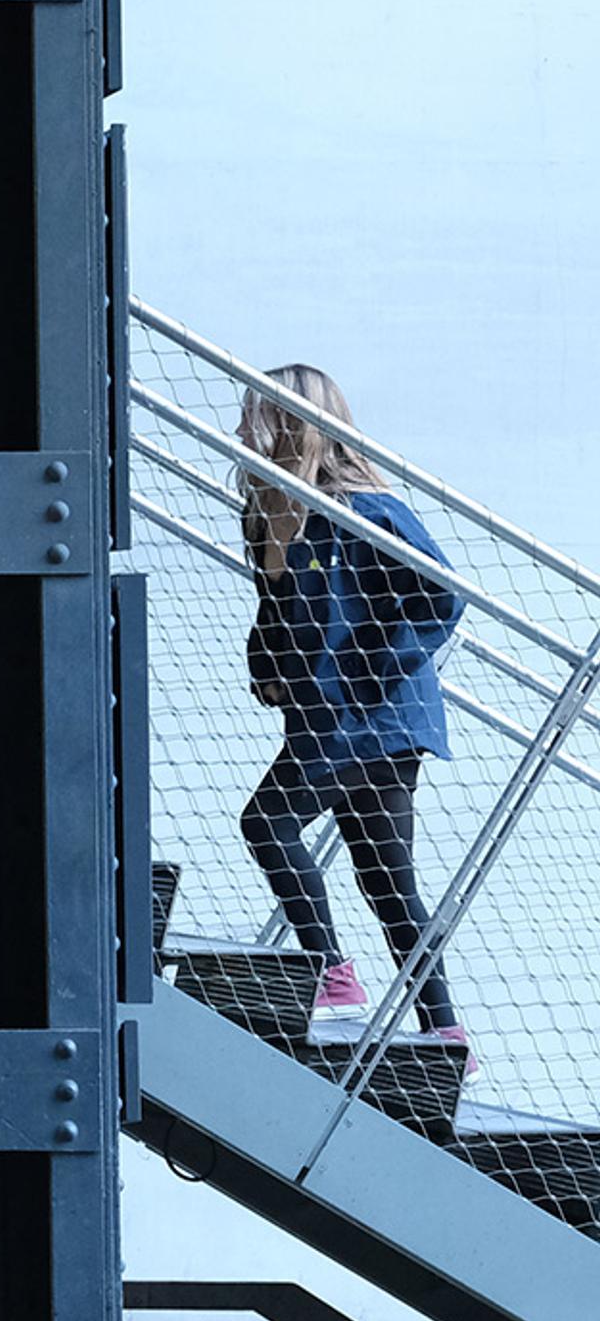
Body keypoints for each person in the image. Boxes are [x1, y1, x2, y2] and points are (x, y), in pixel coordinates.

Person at [237, 367, 470, 1063]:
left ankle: (329, 972)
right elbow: (277, 613)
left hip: (373, 716)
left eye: (258, 415)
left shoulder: (364, 508)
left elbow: (442, 594)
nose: (243, 429)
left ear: (298, 423)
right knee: (385, 873)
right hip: (323, 716)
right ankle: (446, 1029)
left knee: (267, 823)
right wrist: (268, 668)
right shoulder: (267, 510)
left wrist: (374, 661)